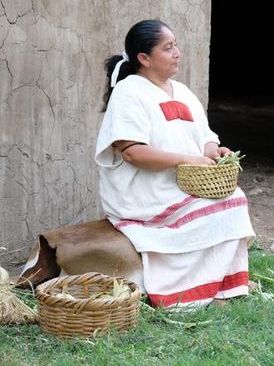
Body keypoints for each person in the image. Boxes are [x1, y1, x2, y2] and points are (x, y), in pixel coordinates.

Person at [95, 19, 255, 308]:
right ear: (144, 58)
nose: (177, 53)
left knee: (235, 200)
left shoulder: (182, 91)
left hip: (181, 185)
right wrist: (187, 159)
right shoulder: (129, 92)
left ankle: (222, 284)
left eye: (176, 45)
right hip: (144, 193)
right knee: (213, 210)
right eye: (168, 48)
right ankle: (183, 291)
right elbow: (132, 152)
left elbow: (205, 137)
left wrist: (214, 151)